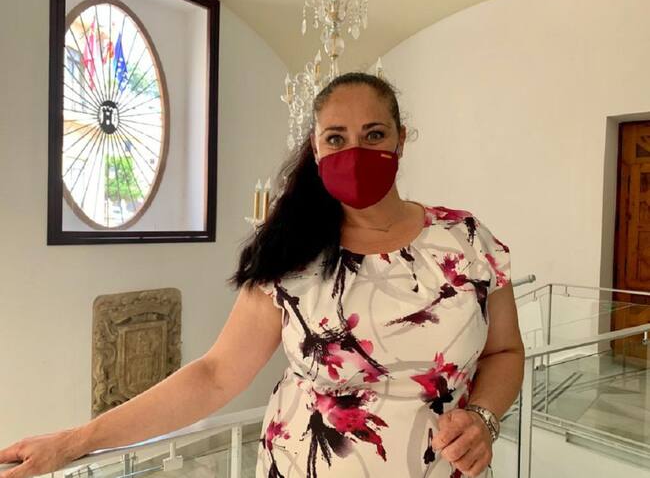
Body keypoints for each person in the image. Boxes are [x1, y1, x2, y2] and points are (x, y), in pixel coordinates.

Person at [0, 72, 524, 478]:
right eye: (336, 138)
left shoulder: (466, 240)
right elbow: (214, 375)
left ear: (401, 140)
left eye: (374, 134)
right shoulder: (291, 255)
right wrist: (76, 441)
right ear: (316, 149)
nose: (355, 152)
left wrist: (484, 417)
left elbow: (505, 352)